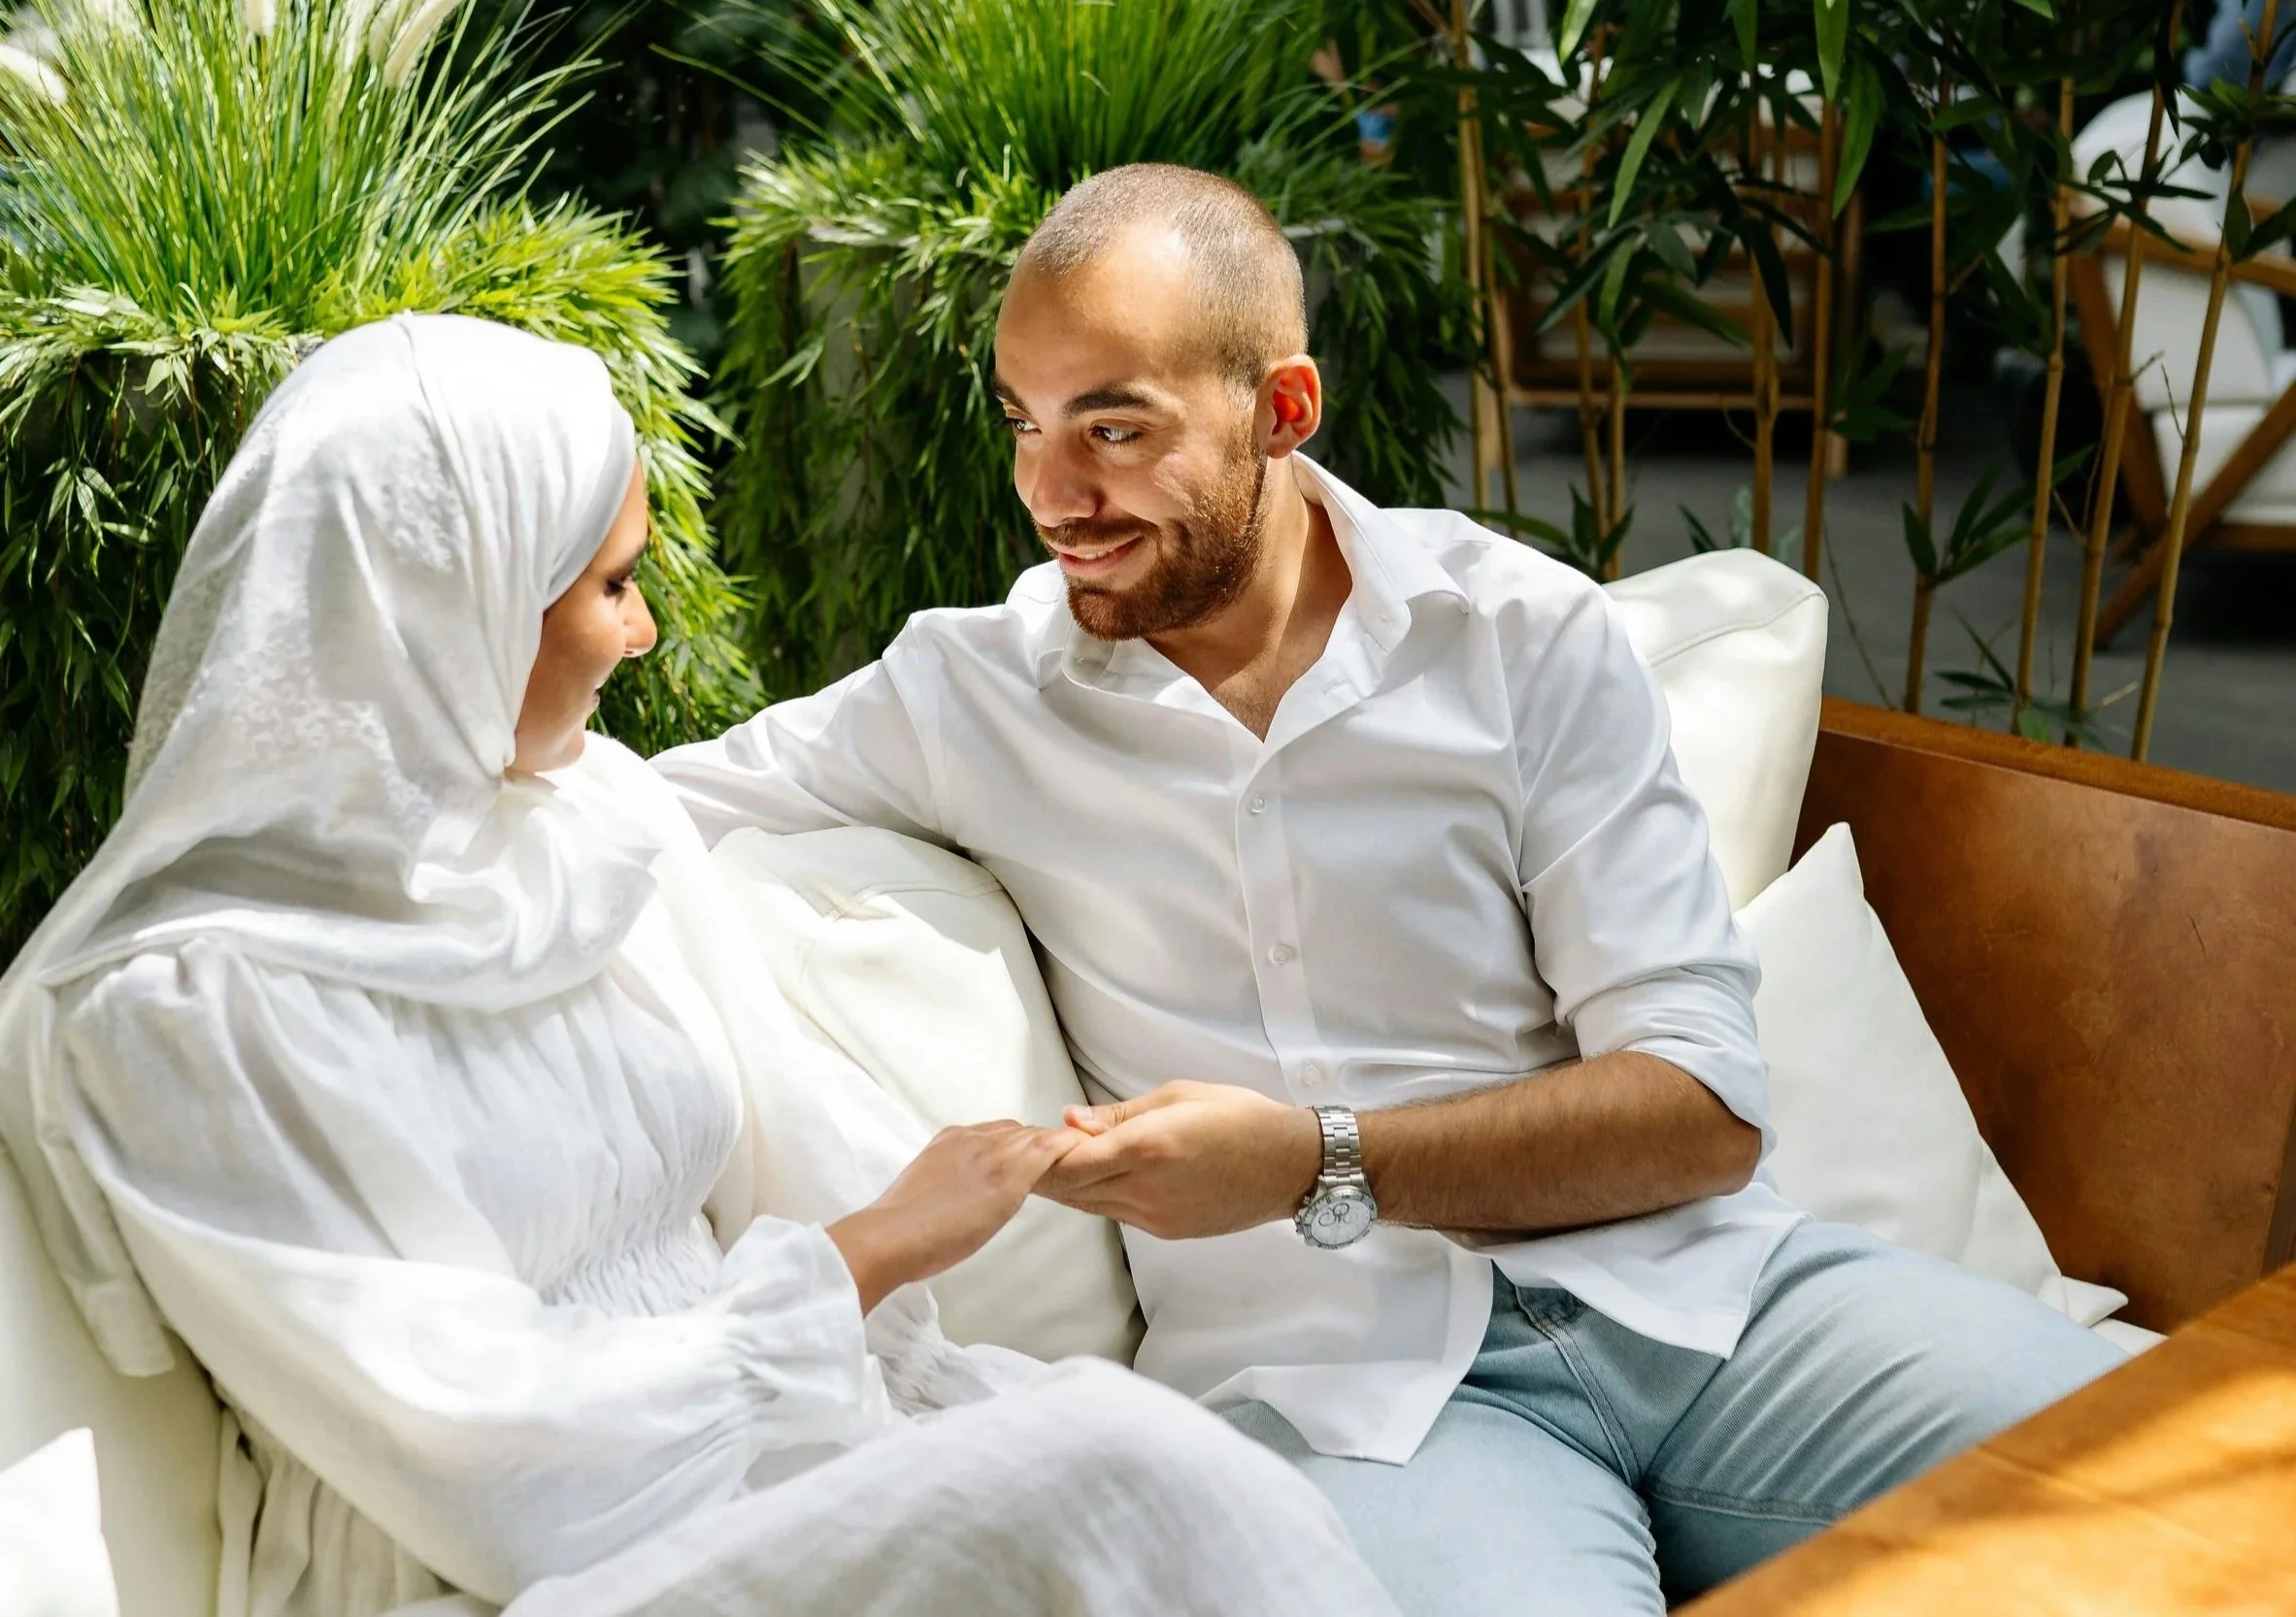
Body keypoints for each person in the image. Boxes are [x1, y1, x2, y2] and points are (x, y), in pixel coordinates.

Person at [652, 164, 2128, 1614]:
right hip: (1351, 1406)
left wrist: (1315, 1159)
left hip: (1712, 1307)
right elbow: (617, 807)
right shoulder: (966, 694)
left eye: (1114, 427)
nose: (1053, 492)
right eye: (1026, 424)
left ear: (1282, 409)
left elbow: (1703, 1108)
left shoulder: (1519, 638)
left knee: (2201, 1474)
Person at [0, 314, 1397, 1617]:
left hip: (775, 1467)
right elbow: (490, 1461)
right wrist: (880, 1246)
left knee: (1176, 1465)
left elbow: (803, 1158)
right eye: (610, 584)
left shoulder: (586, 829)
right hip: (503, 1566)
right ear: (446, 608)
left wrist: (1041, 1168)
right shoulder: (195, 1013)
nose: (642, 633)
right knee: (1117, 1463)